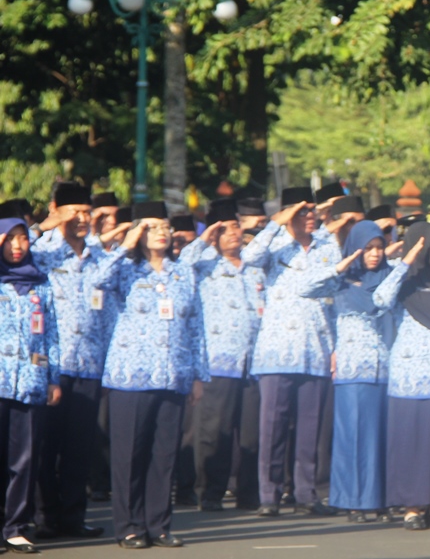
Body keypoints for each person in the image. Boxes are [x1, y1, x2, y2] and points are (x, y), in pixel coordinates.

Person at [91, 202, 209, 549]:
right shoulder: (125, 268)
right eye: (152, 226)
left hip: (173, 374)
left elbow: (196, 324)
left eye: (165, 226)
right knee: (129, 455)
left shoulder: (182, 271)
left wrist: (199, 374)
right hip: (131, 376)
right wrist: (126, 244)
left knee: (164, 455)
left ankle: (158, 525)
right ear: (139, 232)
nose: (161, 231)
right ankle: (128, 526)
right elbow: (96, 281)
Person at [242, 188, 339, 517]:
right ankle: (269, 494)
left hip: (316, 347)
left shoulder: (327, 245)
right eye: (302, 211)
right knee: (273, 426)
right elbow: (250, 258)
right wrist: (275, 224)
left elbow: (336, 296)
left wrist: (337, 347)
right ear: (288, 214)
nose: (310, 216)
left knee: (310, 428)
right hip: (277, 350)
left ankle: (306, 493)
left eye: (312, 210)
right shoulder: (274, 244)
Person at [298, 220, 395, 522]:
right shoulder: (339, 283)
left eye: (379, 248)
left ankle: (376, 499)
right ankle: (352, 500)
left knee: (378, 439)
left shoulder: (389, 279)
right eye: (368, 248)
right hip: (352, 371)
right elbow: (305, 288)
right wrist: (342, 266)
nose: (375, 254)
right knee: (351, 437)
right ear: (355, 249)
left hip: (383, 370)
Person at [374, 221, 430, 531]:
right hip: (411, 377)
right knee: (413, 442)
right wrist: (406, 261)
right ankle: (413, 505)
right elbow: (380, 299)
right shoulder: (405, 280)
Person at [29, 183, 108, 541]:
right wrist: (42, 226)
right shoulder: (40, 251)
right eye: (72, 211)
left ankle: (74, 517)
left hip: (90, 364)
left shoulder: (99, 254)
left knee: (79, 448)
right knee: (46, 447)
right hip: (51, 368)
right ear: (56, 210)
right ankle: (46, 517)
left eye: (85, 212)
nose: (81, 219)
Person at [176, 199, 264, 513]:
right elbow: (182, 263)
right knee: (215, 432)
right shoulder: (204, 265)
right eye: (225, 229)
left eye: (237, 227)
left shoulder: (254, 267)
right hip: (218, 361)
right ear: (214, 233)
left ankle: (247, 493)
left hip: (252, 362)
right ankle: (210, 492)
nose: (234, 234)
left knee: (250, 434)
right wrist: (205, 239)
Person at [0, 213, 61, 554]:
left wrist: (53, 379)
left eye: (23, 239)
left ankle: (16, 526)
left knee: (24, 459)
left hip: (31, 382)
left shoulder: (41, 284)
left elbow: (52, 335)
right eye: (10, 239)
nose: (18, 246)